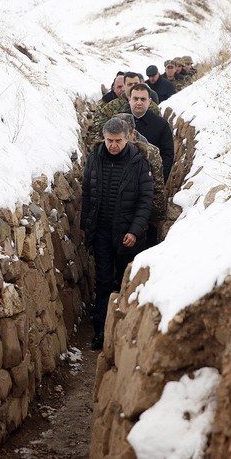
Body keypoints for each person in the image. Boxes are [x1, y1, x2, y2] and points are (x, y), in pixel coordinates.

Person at [81, 118, 154, 349]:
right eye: (109, 140)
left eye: (118, 141)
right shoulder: (94, 159)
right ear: (104, 138)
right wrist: (86, 228)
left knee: (126, 282)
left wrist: (134, 231)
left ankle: (123, 331)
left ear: (128, 137)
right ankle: (101, 332)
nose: (113, 145)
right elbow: (86, 194)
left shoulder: (139, 163)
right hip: (102, 232)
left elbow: (145, 201)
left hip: (128, 235)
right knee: (103, 281)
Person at [114, 113, 166, 248]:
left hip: (142, 214)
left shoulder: (150, 152)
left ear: (133, 134)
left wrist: (156, 217)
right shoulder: (107, 151)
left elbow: (157, 186)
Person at [91, 71, 161, 144]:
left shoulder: (152, 107)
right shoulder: (110, 107)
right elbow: (100, 131)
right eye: (130, 84)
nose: (133, 86)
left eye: (136, 84)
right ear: (125, 86)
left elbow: (160, 128)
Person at [126, 83, 174, 184]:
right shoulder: (118, 122)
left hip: (149, 181)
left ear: (150, 101)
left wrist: (160, 181)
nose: (139, 102)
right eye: (135, 98)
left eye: (143, 99)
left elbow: (167, 155)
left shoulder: (161, 124)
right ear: (129, 99)